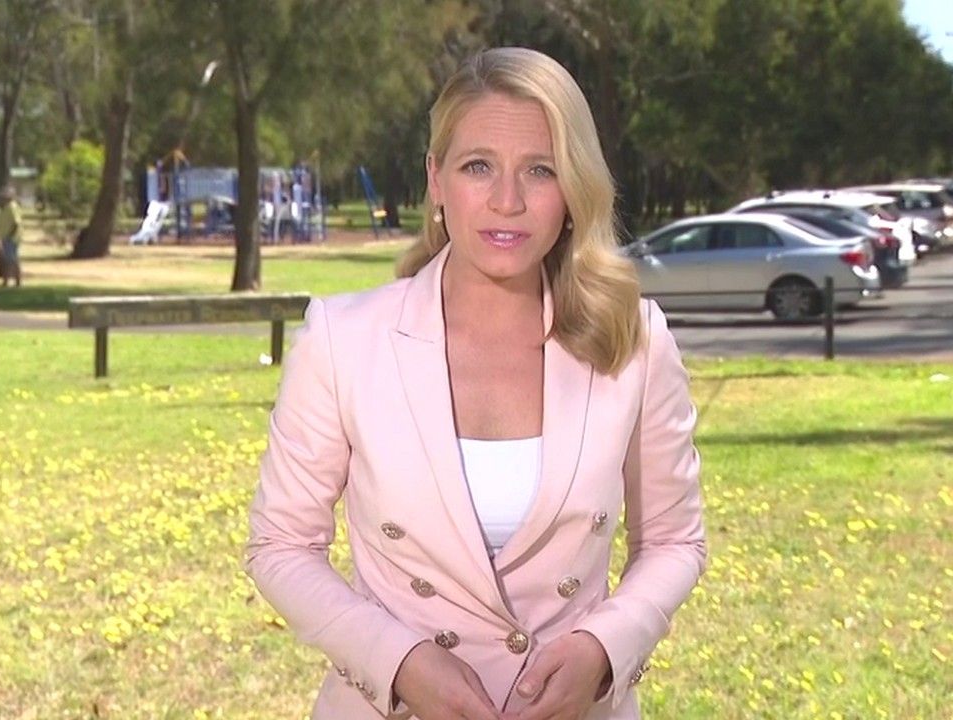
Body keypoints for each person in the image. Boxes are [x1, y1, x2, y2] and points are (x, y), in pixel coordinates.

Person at [244, 47, 707, 720]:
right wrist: (399, 662)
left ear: (574, 188)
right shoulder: (343, 340)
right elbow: (281, 546)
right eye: (478, 166)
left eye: (540, 169)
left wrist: (602, 651)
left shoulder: (633, 339)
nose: (507, 201)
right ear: (436, 179)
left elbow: (673, 540)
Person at [0, 186, 23, 287]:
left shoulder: (12, 207)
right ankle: (6, 281)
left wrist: (10, 235)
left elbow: (16, 223)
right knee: (8, 259)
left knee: (12, 259)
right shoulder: (5, 208)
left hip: (11, 238)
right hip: (5, 237)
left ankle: (17, 281)